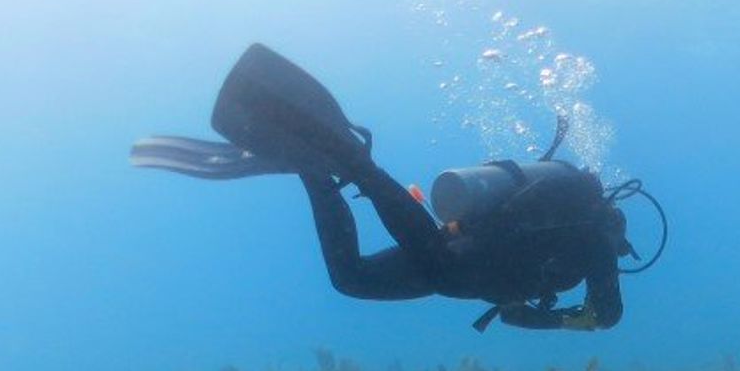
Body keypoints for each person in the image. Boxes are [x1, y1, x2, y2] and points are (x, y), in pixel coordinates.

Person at [132, 44, 640, 331]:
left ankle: (314, 170)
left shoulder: (567, 236)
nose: (617, 249)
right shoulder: (593, 240)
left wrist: (548, 315)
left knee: (351, 279)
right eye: (619, 241)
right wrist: (582, 320)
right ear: (612, 225)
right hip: (459, 264)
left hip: (461, 259)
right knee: (436, 262)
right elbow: (610, 314)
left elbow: (512, 317)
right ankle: (354, 160)